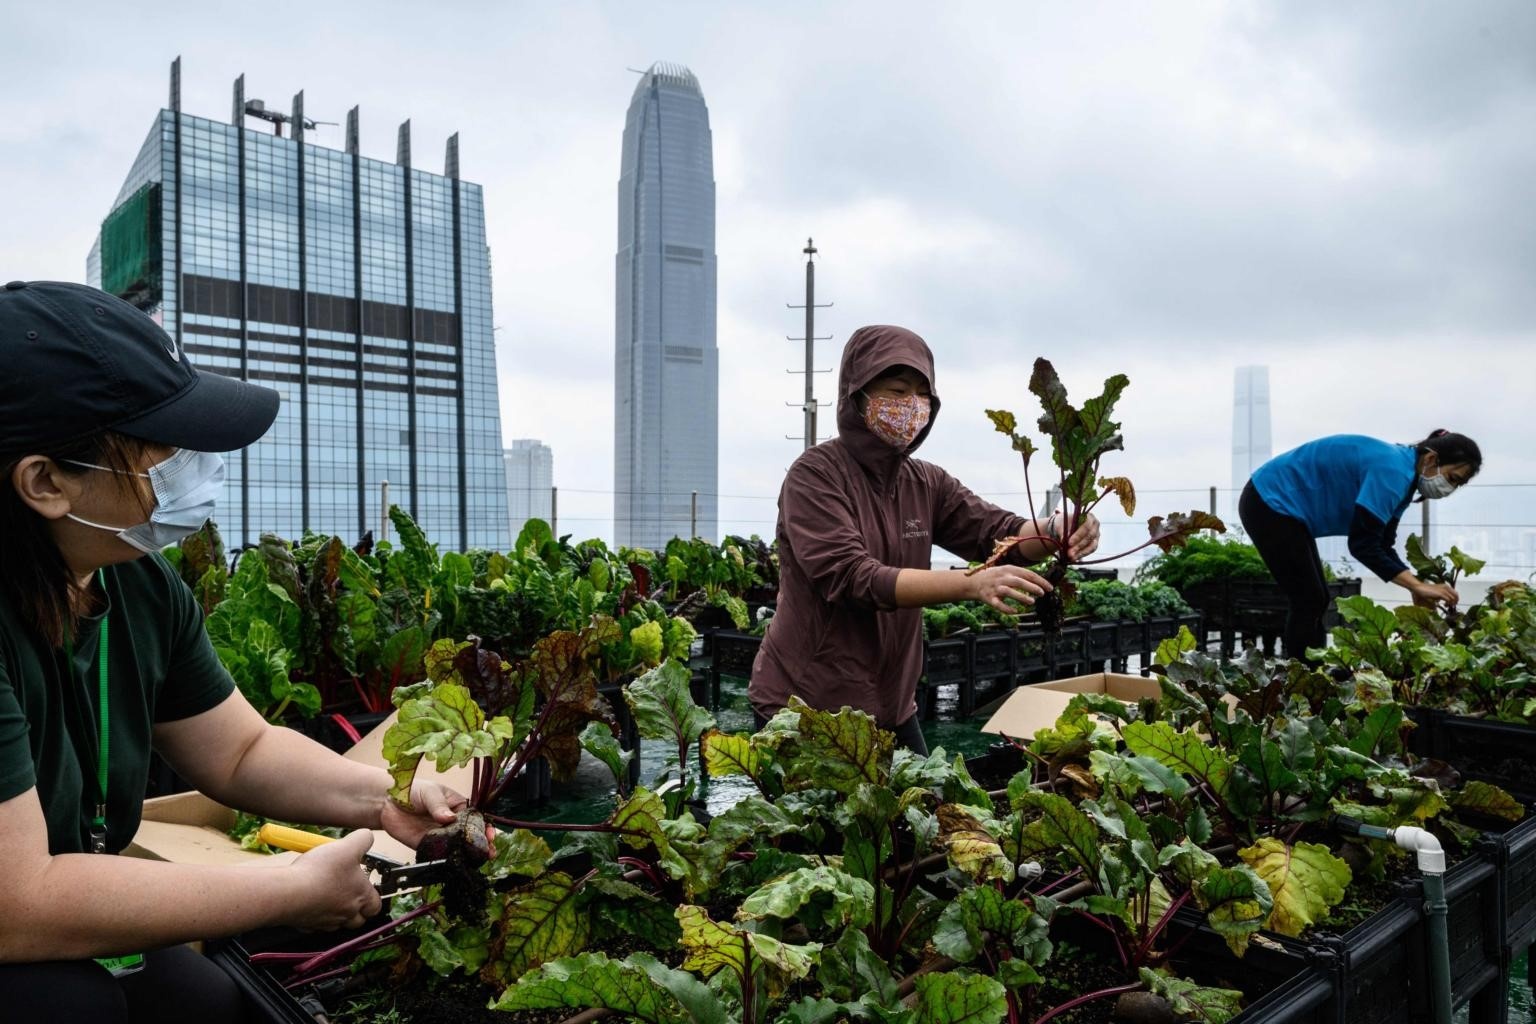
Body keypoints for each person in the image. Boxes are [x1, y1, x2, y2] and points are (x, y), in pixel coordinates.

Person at [0, 282, 473, 1022]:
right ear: (45, 482)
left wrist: (387, 797)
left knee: (212, 1006)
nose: (194, 464)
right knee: (66, 1008)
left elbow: (240, 752)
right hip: (20, 909)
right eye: (164, 447)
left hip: (57, 889)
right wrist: (290, 889)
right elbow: (19, 902)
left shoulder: (137, 583)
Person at [748, 325, 1100, 753]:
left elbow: (995, 532)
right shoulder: (815, 475)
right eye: (897, 391)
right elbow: (852, 576)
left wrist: (1056, 531)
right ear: (857, 395)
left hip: (892, 706)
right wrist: (970, 584)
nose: (911, 405)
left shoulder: (926, 482)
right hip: (808, 705)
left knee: (923, 795)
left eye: (922, 395)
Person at [1241, 430, 1482, 658]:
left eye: (1457, 485)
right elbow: (1362, 545)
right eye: (1452, 478)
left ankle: (1313, 672)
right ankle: (1301, 677)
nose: (1449, 489)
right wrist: (1417, 586)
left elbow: (1383, 544)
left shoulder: (1404, 475)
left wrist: (1415, 587)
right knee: (1308, 598)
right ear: (1430, 459)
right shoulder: (1393, 472)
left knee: (1317, 599)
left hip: (1283, 508)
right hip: (1269, 500)